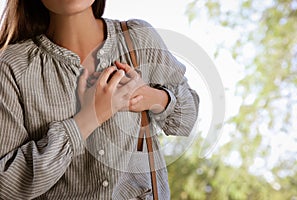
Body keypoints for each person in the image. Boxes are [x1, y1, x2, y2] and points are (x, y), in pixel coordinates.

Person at [0, 0, 199, 199]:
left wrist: (151, 97)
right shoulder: (11, 67)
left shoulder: (137, 38)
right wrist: (88, 118)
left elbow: (187, 119)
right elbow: (6, 187)